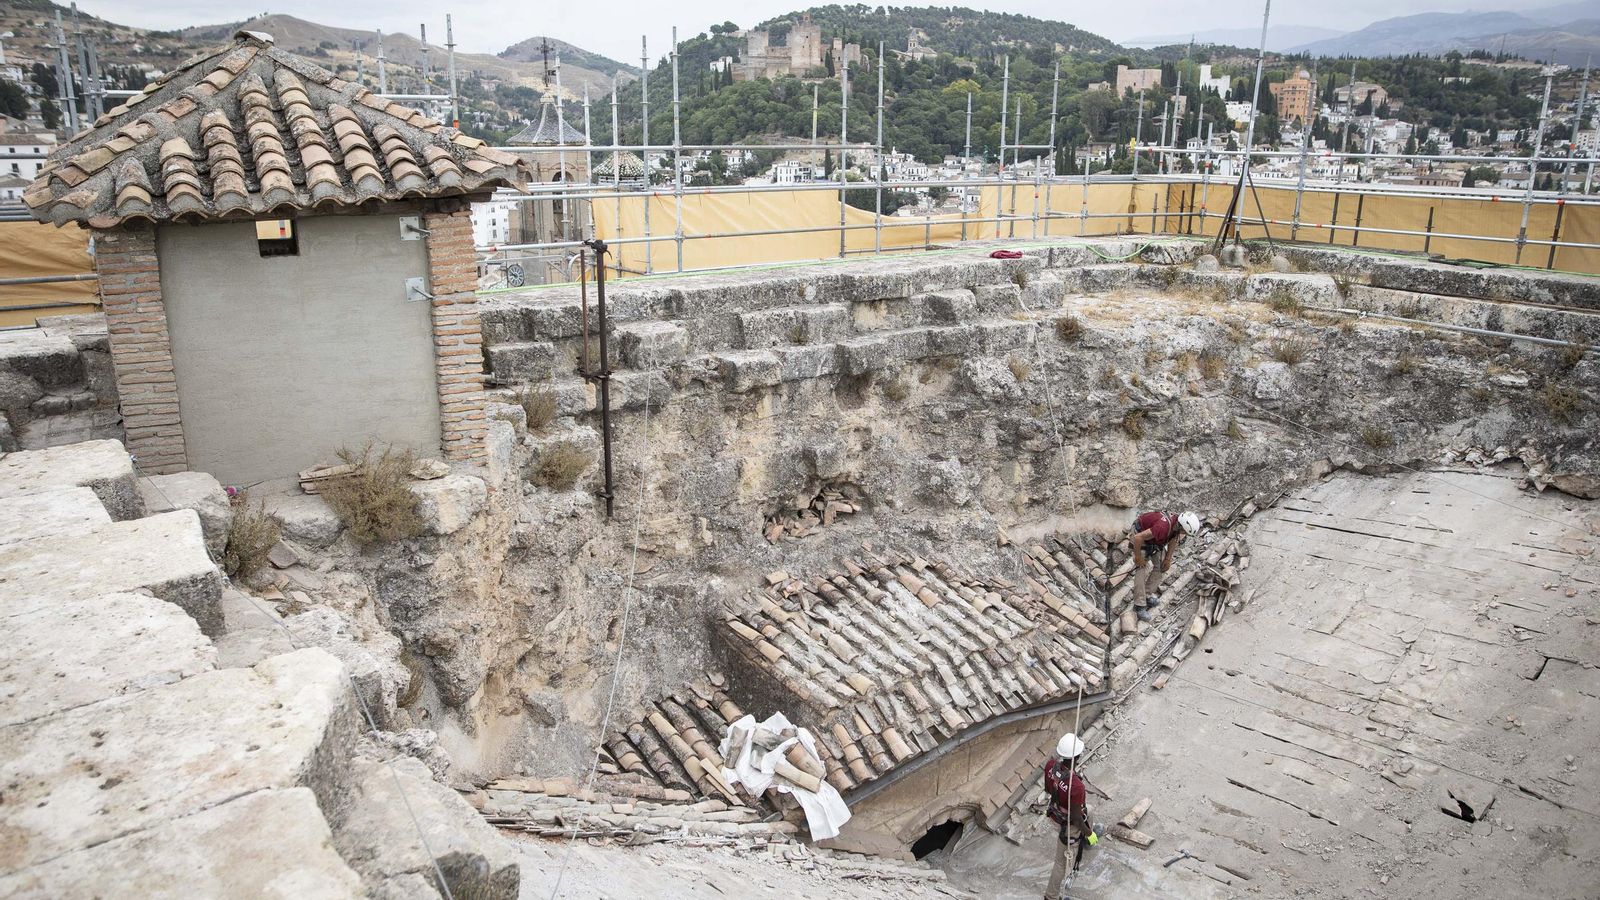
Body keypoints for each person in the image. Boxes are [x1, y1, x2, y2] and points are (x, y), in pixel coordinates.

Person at [1042, 732, 1092, 900]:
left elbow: (1049, 790)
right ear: (1077, 755)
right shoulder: (1077, 786)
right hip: (1067, 824)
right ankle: (1051, 896)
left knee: (1089, 810)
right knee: (1061, 863)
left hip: (1054, 812)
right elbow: (1077, 819)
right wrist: (1089, 833)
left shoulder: (1051, 766)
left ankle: (1085, 841)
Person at [1130, 510, 1200, 620]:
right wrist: (1138, 557)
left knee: (1161, 566)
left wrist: (1168, 559)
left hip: (1154, 539)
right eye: (1185, 532)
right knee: (1142, 568)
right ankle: (1139, 605)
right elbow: (1138, 537)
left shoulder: (1177, 525)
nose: (1184, 534)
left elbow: (1173, 540)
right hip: (1140, 533)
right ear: (1182, 526)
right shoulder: (1162, 527)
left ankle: (1147, 595)